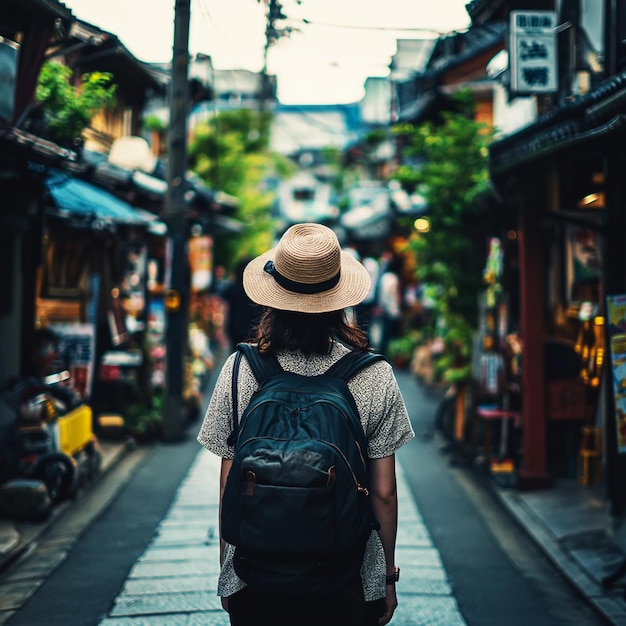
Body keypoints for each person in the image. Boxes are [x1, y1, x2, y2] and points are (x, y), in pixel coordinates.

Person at [197, 223, 414, 626]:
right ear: (339, 298)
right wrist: (384, 579)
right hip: (344, 574)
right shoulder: (374, 375)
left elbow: (229, 484)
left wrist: (229, 574)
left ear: (273, 296)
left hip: (256, 572)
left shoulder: (241, 369)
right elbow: (383, 494)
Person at [220, 258, 263, 352]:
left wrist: (222, 330)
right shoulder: (257, 289)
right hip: (253, 328)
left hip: (235, 328)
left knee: (236, 356)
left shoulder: (232, 288)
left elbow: (225, 310)